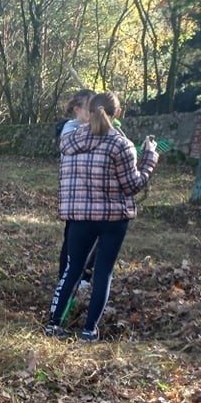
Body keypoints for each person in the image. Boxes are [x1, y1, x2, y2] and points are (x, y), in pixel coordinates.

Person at [44, 91, 158, 342]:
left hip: (79, 216)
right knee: (102, 272)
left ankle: (53, 324)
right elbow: (132, 185)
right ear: (116, 114)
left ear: (89, 110)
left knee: (72, 269)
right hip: (112, 218)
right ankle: (89, 330)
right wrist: (149, 158)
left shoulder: (70, 141)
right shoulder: (121, 144)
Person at [56, 89, 96, 282]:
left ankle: (85, 278)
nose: (94, 112)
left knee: (93, 239)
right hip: (75, 196)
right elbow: (79, 144)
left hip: (93, 195)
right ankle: (66, 278)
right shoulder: (70, 129)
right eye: (91, 108)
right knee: (73, 241)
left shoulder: (94, 130)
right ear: (77, 109)